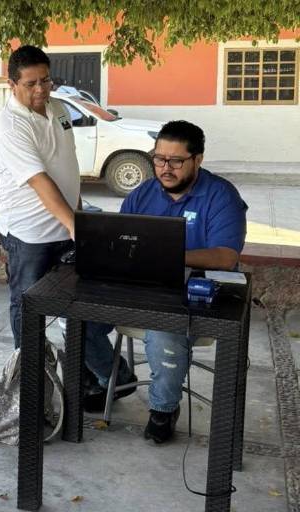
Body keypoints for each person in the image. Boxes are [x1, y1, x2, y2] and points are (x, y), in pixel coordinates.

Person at [83, 120, 248, 444]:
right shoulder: (143, 193)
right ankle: (115, 379)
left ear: (197, 159)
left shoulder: (221, 196)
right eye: (159, 158)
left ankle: (163, 409)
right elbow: (122, 238)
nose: (165, 168)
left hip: (194, 293)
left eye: (175, 161)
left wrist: (167, 253)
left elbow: (226, 257)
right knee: (75, 320)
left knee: (162, 331)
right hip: (140, 286)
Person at [0, 45, 82, 348]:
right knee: (28, 307)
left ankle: (89, 375)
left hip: (67, 226)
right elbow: (39, 181)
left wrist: (77, 217)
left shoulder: (60, 109)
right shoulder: (10, 125)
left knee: (79, 306)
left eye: (46, 80)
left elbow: (68, 165)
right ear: (12, 85)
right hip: (29, 235)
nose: (41, 89)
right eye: (31, 84)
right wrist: (75, 224)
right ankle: (29, 378)